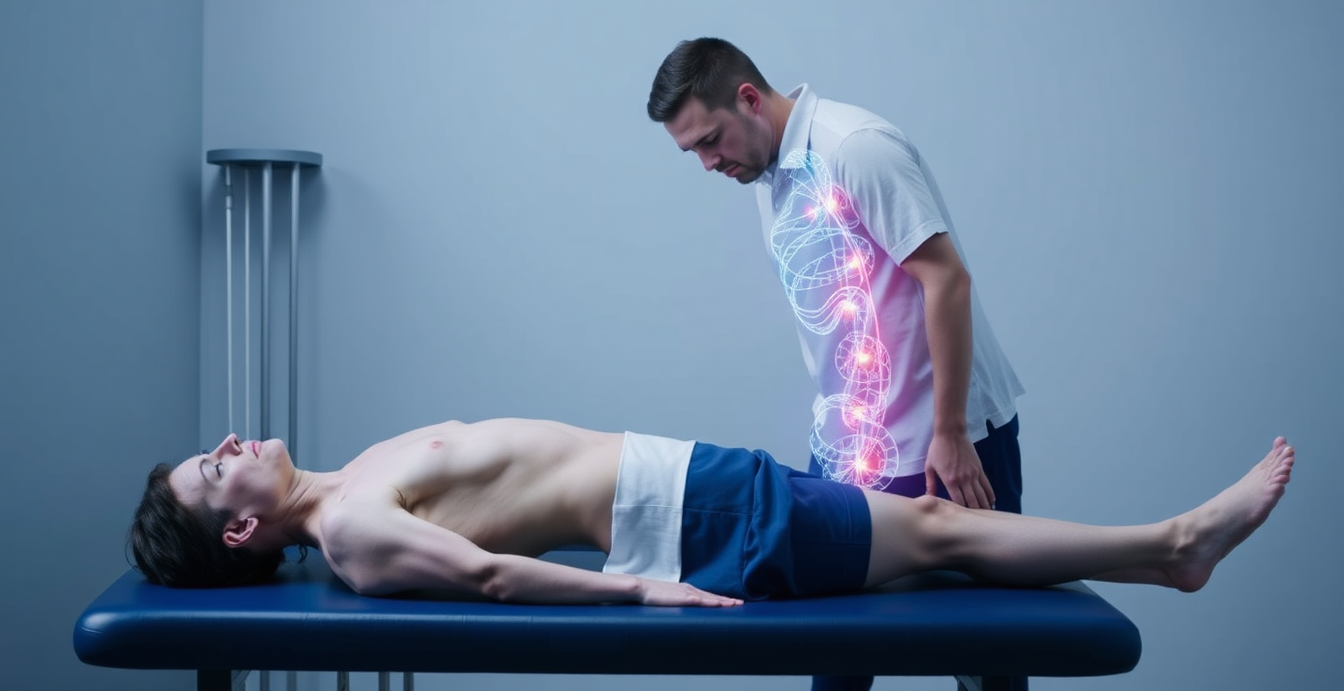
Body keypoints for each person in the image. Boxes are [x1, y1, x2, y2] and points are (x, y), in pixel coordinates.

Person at [647, 38, 1028, 689]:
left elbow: (946, 281)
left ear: (747, 98)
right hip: (853, 453)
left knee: (985, 651)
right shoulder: (766, 174)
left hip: (947, 442)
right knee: (836, 654)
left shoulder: (855, 147)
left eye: (711, 140)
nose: (708, 163)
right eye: (694, 153)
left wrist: (953, 431)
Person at [131, 419, 1293, 614]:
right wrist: (637, 590)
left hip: (687, 488)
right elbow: (487, 579)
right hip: (691, 525)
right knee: (935, 534)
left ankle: (1169, 550)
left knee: (929, 541)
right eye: (210, 470)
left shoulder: (350, 475)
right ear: (239, 530)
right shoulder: (350, 531)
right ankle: (1175, 549)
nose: (228, 446)